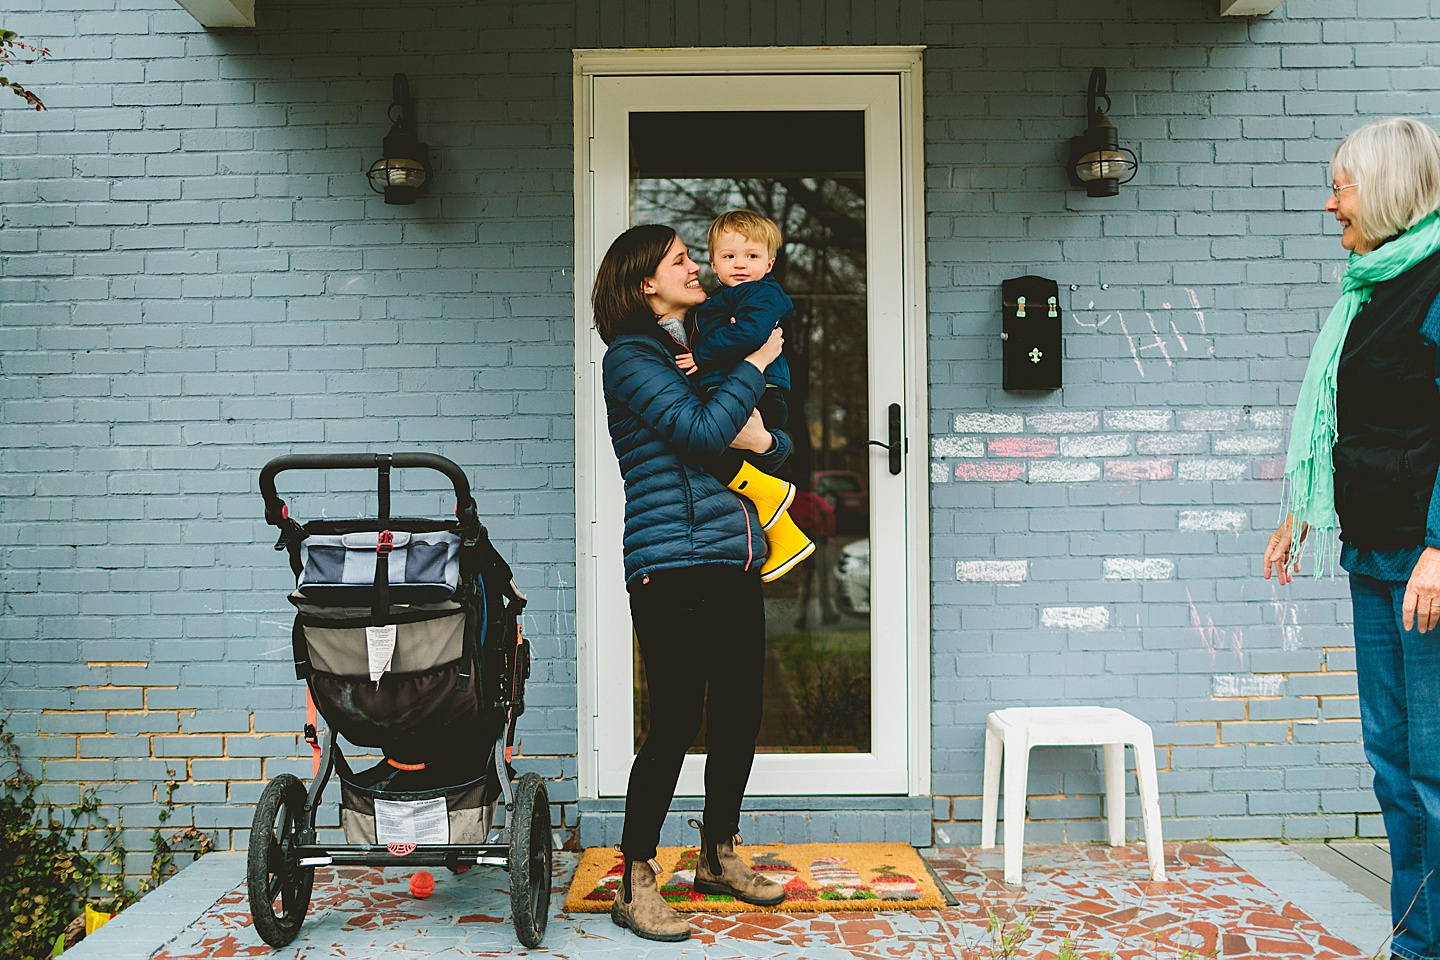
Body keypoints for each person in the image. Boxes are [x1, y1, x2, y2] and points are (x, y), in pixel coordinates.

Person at [1263, 117, 1440, 960]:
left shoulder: (1438, 279)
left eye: (1343, 185)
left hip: (1426, 557)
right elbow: (1338, 417)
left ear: (1393, 188)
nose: (1330, 203)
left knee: (1436, 766)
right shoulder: (1366, 287)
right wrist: (1301, 511)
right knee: (1393, 762)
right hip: (1373, 550)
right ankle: (1414, 940)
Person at [593, 224, 788, 942]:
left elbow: (771, 439)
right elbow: (704, 433)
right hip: (669, 558)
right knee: (677, 717)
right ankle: (636, 877)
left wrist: (765, 433)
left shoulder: (698, 348)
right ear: (646, 283)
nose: (697, 268)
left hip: (733, 551)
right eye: (681, 260)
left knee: (739, 710)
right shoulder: (631, 358)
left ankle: (718, 854)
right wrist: (759, 365)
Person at [673, 209, 814, 582]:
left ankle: (773, 494)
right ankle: (785, 535)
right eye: (729, 256)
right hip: (736, 387)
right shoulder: (722, 298)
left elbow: (752, 335)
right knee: (714, 455)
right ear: (714, 264)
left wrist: (701, 355)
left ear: (769, 264)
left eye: (752, 256)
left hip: (762, 391)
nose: (740, 264)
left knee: (707, 449)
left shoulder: (762, 293)